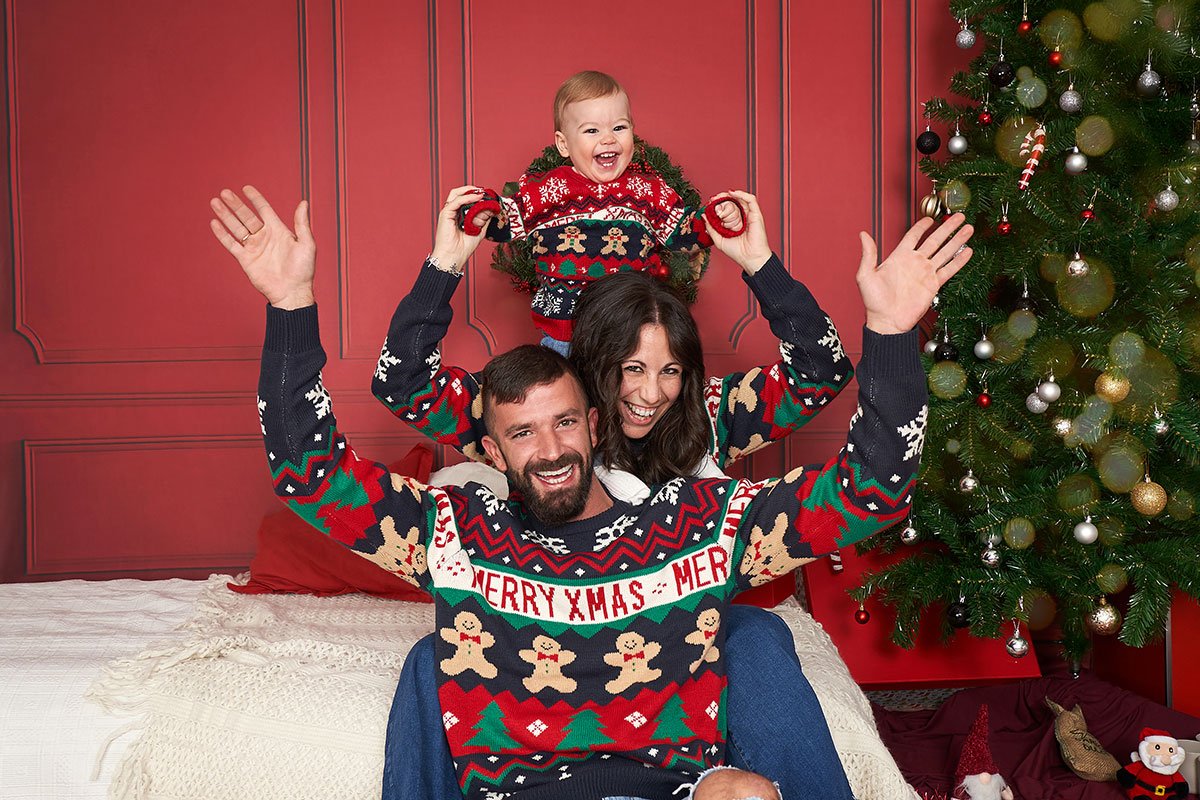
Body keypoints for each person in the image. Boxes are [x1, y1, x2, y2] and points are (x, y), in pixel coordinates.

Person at [209, 184, 969, 800]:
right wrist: (290, 307)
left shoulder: (698, 520)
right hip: (518, 765)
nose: (548, 450)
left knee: (755, 663)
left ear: (591, 421)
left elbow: (872, 488)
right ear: (491, 445)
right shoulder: (458, 530)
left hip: (679, 741)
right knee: (429, 656)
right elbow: (311, 472)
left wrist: (892, 329)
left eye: (565, 424)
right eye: (521, 433)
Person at [375, 188, 866, 799]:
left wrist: (760, 263)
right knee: (433, 656)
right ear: (594, 366)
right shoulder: (550, 423)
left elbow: (822, 372)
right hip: (538, 621)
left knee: (759, 635)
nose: (651, 394)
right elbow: (402, 382)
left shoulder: (706, 414)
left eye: (669, 370)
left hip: (676, 631)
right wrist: (445, 264)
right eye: (631, 369)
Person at [459, 70, 744, 353]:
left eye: (619, 128)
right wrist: (483, 210)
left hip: (630, 335)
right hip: (564, 338)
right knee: (564, 397)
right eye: (592, 130)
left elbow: (681, 230)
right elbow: (508, 218)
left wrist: (716, 218)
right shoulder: (548, 189)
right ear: (563, 144)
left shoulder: (646, 190)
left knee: (627, 396)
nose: (608, 139)